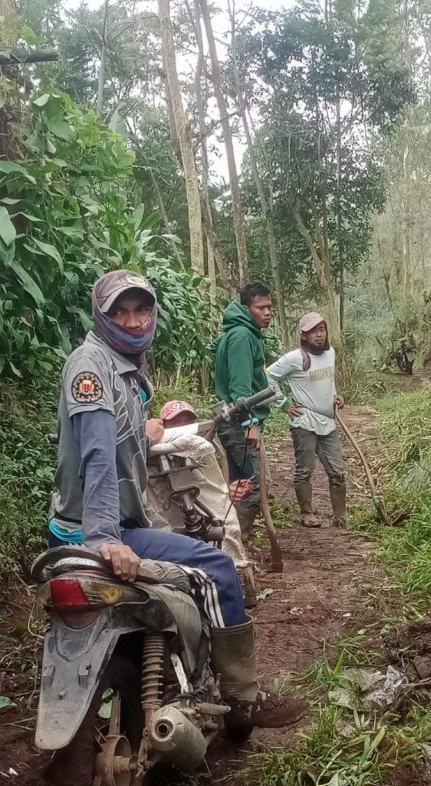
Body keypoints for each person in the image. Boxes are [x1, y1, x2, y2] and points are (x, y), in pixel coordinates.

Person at [49, 269, 301, 730]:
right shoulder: (93, 367)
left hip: (92, 523)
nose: (131, 320)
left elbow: (116, 444)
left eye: (140, 309)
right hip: (100, 529)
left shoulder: (124, 371)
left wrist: (146, 435)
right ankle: (244, 701)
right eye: (119, 311)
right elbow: (98, 455)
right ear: (100, 315)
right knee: (218, 569)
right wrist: (105, 537)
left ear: (152, 313)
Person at [266, 312, 346, 528]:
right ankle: (307, 513)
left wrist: (336, 397)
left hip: (328, 422)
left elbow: (329, 381)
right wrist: (282, 403)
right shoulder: (294, 358)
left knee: (337, 470)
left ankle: (340, 516)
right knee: (305, 469)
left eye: (321, 330)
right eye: (313, 332)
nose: (319, 335)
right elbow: (269, 375)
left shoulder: (330, 353)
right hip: (304, 422)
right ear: (303, 336)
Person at [211, 282, 274, 542]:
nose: (267, 312)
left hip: (234, 419)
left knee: (239, 484)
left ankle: (230, 540)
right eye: (261, 308)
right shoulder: (241, 337)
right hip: (238, 421)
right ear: (246, 308)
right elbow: (240, 388)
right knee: (252, 485)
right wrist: (250, 423)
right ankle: (236, 543)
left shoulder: (245, 333)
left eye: (270, 307)